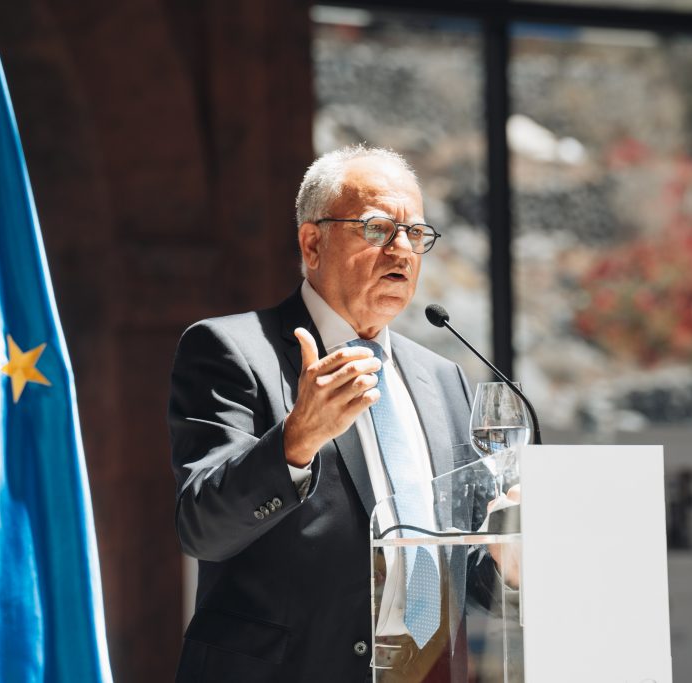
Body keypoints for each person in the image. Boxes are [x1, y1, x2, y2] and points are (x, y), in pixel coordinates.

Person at [169, 145, 499, 682]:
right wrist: (295, 442)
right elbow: (202, 528)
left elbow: (462, 567)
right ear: (312, 241)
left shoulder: (445, 379)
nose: (401, 251)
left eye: (416, 234)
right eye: (376, 230)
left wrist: (505, 561)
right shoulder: (231, 350)